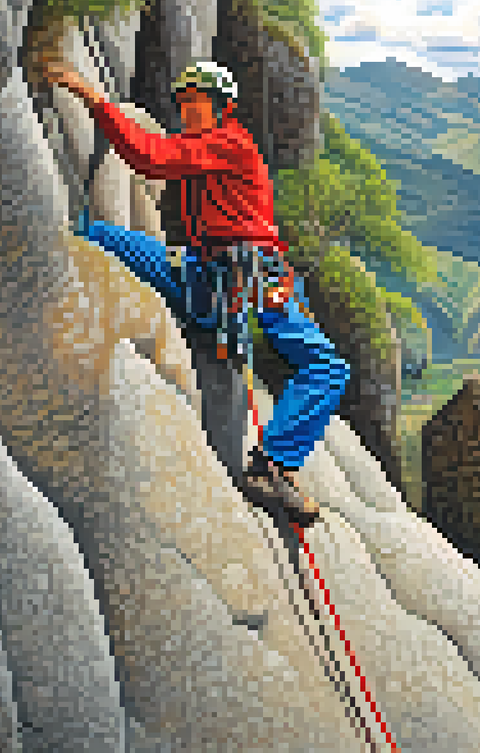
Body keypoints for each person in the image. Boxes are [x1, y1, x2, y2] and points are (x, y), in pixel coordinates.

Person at [41, 57, 347, 527]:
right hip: (212, 274)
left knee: (326, 367)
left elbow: (151, 159)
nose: (186, 111)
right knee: (105, 238)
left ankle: (275, 464)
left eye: (196, 102)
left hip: (247, 276)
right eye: (182, 102)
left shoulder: (227, 143)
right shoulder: (212, 144)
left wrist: (94, 98)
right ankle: (275, 463)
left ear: (222, 106)